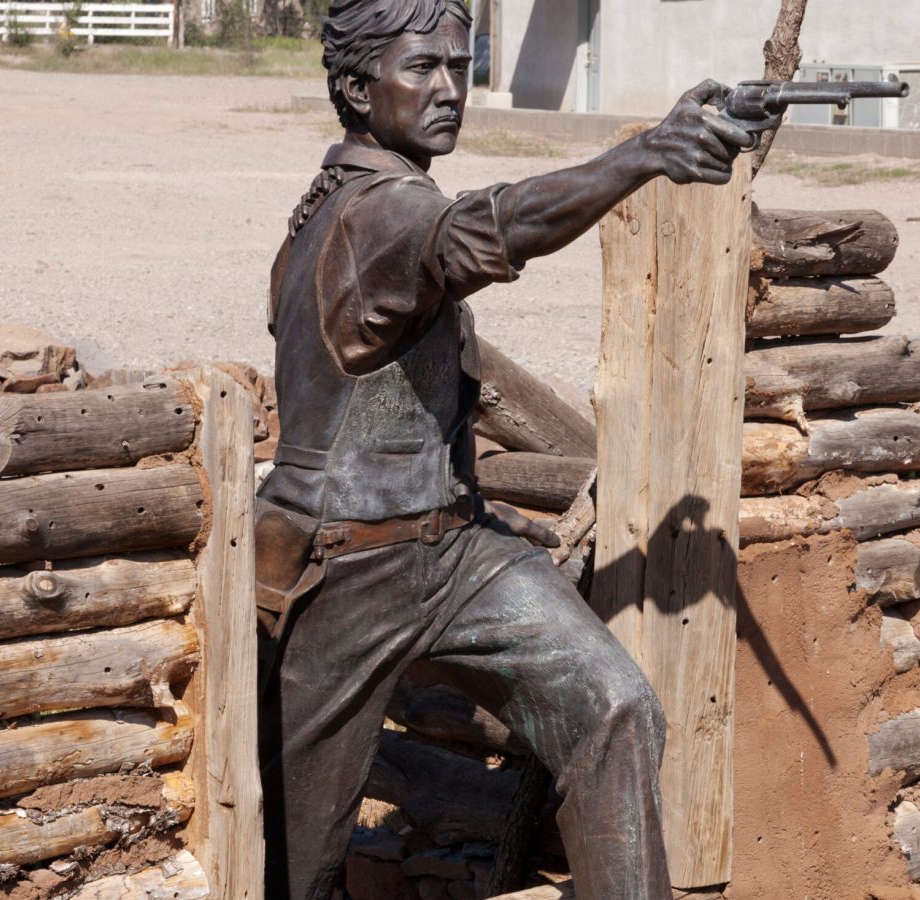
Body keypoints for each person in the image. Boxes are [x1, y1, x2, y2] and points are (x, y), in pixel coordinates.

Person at [255, 2, 751, 898]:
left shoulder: (373, 198)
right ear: (357, 90)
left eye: (461, 65)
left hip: (451, 553)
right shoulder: (379, 217)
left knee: (614, 707)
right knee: (294, 862)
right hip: (342, 572)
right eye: (423, 69)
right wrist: (643, 153)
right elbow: (489, 229)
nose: (450, 90)